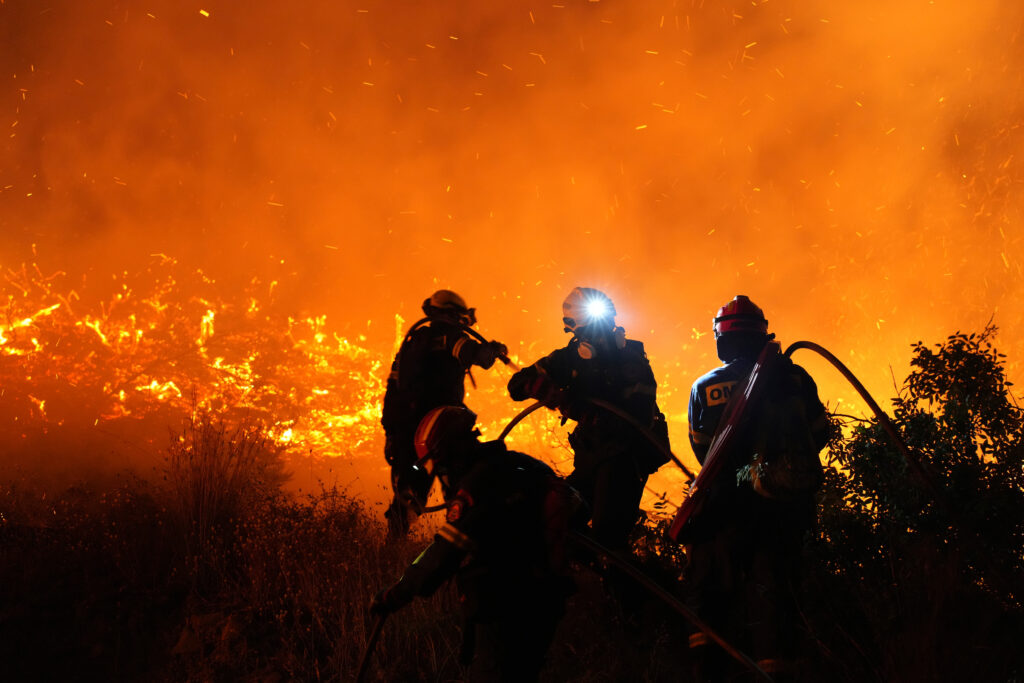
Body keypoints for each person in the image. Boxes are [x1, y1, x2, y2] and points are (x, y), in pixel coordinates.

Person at [685, 295, 831, 683]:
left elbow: (702, 449)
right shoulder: (795, 377)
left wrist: (741, 472)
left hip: (726, 507)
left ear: (722, 338)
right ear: (762, 333)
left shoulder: (706, 386)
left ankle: (708, 670)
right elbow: (819, 433)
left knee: (710, 595)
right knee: (775, 596)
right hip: (783, 505)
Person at [370, 406, 573, 682]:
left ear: (452, 451)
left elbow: (445, 551)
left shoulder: (475, 486)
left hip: (507, 606)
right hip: (544, 599)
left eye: (437, 463)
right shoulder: (515, 463)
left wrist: (399, 591)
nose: (439, 474)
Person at [507, 287, 669, 554]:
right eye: (592, 328)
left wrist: (579, 408)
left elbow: (636, 419)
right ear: (574, 331)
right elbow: (516, 385)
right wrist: (539, 387)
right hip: (590, 458)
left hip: (624, 459)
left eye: (604, 324)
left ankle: (637, 591)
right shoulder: (567, 358)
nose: (601, 335)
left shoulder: (631, 358)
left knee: (608, 540)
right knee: (557, 518)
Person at [381, 290, 508, 536]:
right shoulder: (449, 336)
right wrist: (494, 349)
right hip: (443, 432)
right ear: (453, 314)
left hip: (410, 433)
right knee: (462, 489)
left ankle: (392, 550)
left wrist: (391, 433)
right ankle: (461, 547)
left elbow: (392, 390)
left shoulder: (413, 343)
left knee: (408, 492)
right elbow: (475, 354)